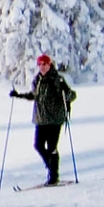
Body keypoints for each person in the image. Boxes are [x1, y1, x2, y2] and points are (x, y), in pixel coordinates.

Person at [11, 55, 77, 185]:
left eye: (44, 64)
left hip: (54, 120)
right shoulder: (37, 80)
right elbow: (34, 95)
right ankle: (51, 168)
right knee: (38, 145)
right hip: (40, 119)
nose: (42, 67)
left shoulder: (57, 79)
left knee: (52, 147)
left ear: (49, 64)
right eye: (39, 64)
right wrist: (18, 95)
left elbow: (72, 95)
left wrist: (65, 93)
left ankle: (53, 176)